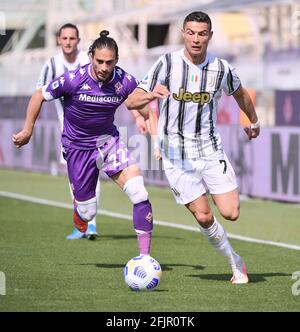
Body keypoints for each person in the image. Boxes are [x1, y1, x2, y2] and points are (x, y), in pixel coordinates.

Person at [126, 11, 260, 284]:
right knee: (203, 215)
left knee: (231, 212)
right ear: (183, 34)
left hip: (209, 149)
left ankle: (211, 197)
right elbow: (131, 101)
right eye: (191, 32)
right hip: (175, 154)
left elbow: (241, 94)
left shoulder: (221, 68)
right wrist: (151, 94)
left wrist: (254, 121)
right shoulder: (166, 64)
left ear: (210, 35)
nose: (196, 39)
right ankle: (235, 262)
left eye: (201, 34)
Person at [13, 30, 154, 257]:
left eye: (110, 62)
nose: (104, 67)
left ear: (116, 60)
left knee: (139, 192)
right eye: (100, 61)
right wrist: (28, 129)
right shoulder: (73, 79)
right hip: (77, 147)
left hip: (108, 142)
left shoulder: (123, 79)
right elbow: (39, 95)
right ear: (91, 57)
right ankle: (81, 210)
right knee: (88, 214)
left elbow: (135, 100)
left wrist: (141, 115)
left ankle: (145, 257)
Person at [36, 23, 99, 240]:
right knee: (74, 177)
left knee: (93, 174)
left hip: (94, 129)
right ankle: (81, 221)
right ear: (59, 40)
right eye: (65, 38)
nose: (68, 42)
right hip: (68, 132)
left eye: (72, 38)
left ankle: (91, 224)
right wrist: (29, 126)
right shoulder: (51, 64)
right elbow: (39, 94)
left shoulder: (88, 61)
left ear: (78, 40)